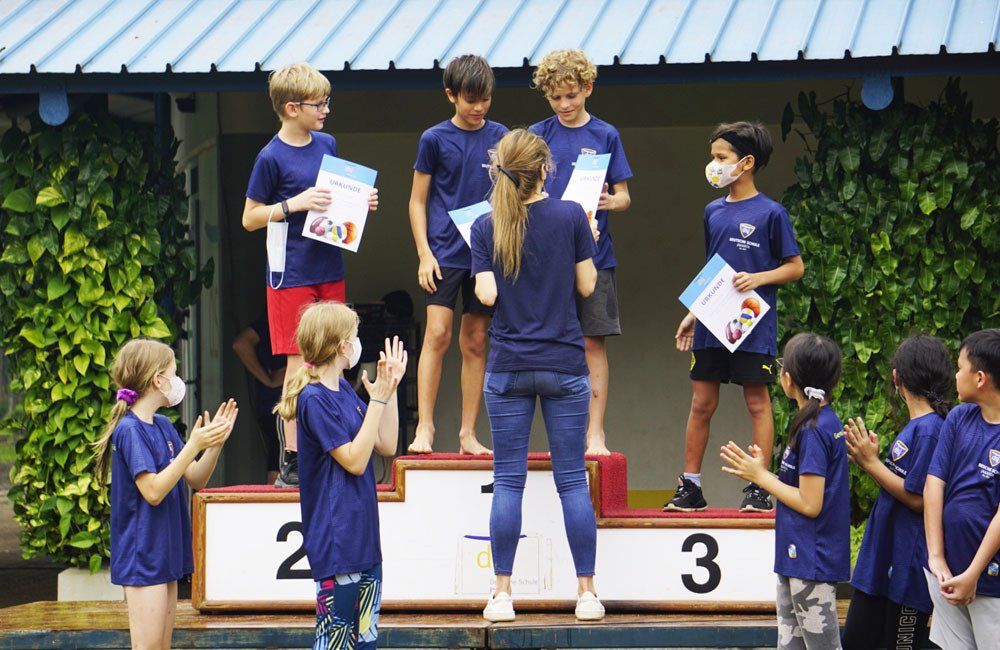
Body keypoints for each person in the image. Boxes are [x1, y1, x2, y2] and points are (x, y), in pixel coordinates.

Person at [471, 129, 603, 623]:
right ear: (545, 169)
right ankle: (587, 593)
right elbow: (587, 286)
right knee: (572, 482)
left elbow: (486, 297)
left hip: (507, 367)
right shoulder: (571, 215)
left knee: (508, 482)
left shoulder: (487, 225)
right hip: (565, 365)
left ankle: (502, 593)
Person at [242, 62, 378, 487]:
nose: (325, 111)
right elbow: (249, 218)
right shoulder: (270, 157)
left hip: (329, 263)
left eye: (326, 102)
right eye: (319, 104)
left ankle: (331, 440)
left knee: (337, 353)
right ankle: (293, 456)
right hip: (291, 271)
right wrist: (293, 203)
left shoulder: (328, 143)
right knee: (298, 362)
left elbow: (334, 201)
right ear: (291, 106)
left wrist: (361, 203)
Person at [669, 121, 804, 513]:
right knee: (701, 403)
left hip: (752, 324)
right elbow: (711, 269)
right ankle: (690, 486)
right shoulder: (712, 211)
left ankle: (760, 487)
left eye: (720, 158)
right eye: (713, 157)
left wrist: (760, 278)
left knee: (757, 403)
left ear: (746, 163)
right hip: (712, 322)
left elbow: (795, 267)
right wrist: (693, 313)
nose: (713, 165)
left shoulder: (772, 213)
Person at [275, 302, 407, 649]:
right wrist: (376, 402)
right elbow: (354, 460)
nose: (357, 342)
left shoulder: (345, 391)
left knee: (365, 641)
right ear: (340, 347)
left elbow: (386, 444)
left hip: (364, 540)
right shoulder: (313, 399)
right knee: (334, 642)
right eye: (355, 336)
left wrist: (387, 390)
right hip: (338, 543)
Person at [92, 339, 237, 650]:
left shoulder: (163, 425)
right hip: (143, 556)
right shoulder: (129, 430)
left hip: (164, 553)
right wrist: (193, 446)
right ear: (158, 380)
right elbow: (154, 491)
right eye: (173, 372)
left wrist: (214, 444)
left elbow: (196, 478)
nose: (177, 380)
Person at [529, 48, 632, 456]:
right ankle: (561, 436)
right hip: (546, 258)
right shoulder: (538, 134)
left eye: (570, 95)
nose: (564, 105)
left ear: (587, 88)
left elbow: (625, 196)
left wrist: (609, 203)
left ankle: (595, 434)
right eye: (555, 98)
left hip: (595, 255)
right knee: (552, 345)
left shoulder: (606, 134)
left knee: (593, 345)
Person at [720, 333, 849, 649]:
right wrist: (764, 471)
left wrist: (760, 476)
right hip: (798, 557)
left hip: (810, 561)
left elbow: (810, 503)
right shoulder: (812, 422)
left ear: (788, 379)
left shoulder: (815, 429)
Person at [407, 54, 508, 455]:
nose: (478, 108)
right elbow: (417, 201)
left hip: (486, 252)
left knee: (476, 339)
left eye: (484, 99)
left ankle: (468, 433)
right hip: (445, 251)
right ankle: (425, 429)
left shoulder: (502, 136)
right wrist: (424, 254)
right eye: (470, 100)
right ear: (450, 95)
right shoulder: (433, 138)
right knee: (437, 334)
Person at [841, 335, 952, 649]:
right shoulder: (918, 426)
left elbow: (919, 500)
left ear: (896, 377)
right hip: (881, 564)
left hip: (906, 573)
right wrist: (876, 463)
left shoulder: (931, 429)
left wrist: (871, 463)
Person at [923, 328, 1000, 649]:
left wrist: (974, 574)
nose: (955, 375)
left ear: (979, 378)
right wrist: (937, 557)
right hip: (946, 576)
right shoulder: (958, 418)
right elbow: (933, 484)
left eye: (959, 367)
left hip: (991, 583)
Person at [232, 312, 286, 485]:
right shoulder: (276, 318)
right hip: (277, 404)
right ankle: (276, 507)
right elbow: (241, 344)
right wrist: (268, 381)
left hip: (277, 403)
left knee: (279, 455)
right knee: (279, 456)